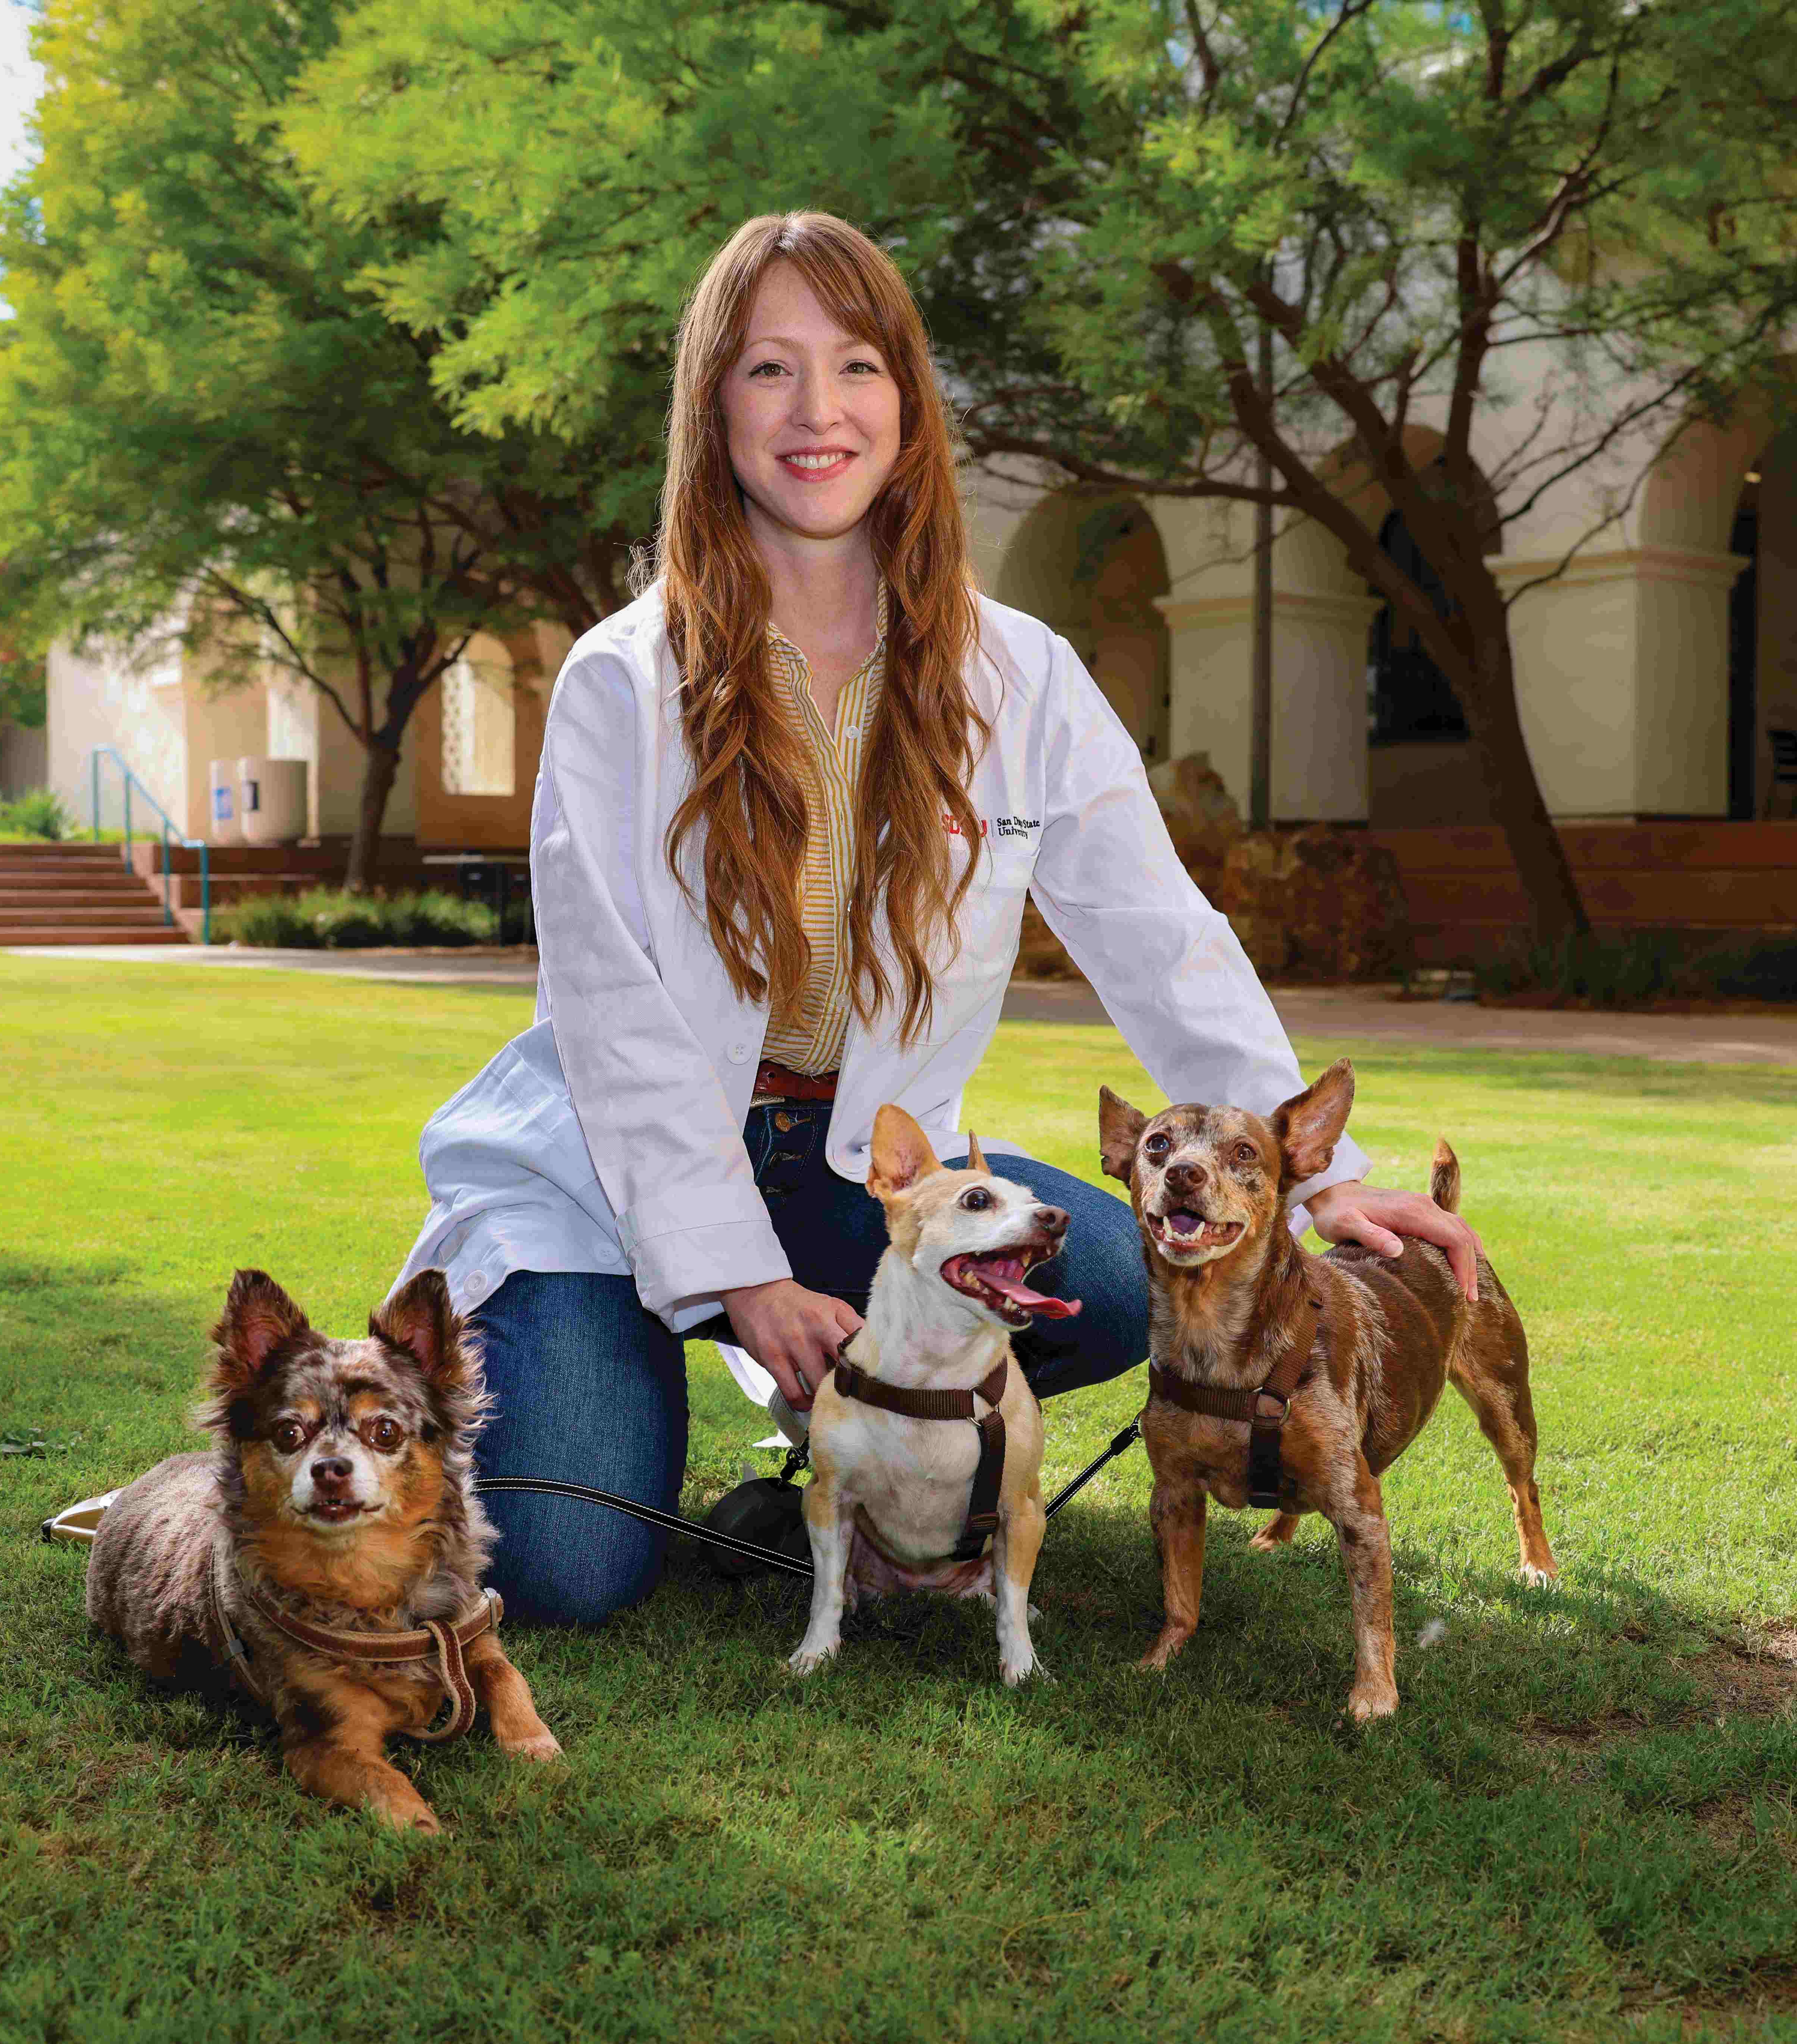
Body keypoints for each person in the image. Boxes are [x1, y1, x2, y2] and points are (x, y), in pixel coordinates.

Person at [394, 212, 1480, 1625]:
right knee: (569, 1570)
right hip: (614, 1176)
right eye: (768, 371)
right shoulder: (623, 679)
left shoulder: (1017, 674)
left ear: (906, 404)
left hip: (874, 1175)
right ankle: (494, 1361)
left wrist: (1321, 1175)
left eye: (855, 366)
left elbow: (1158, 932)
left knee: (1125, 1282)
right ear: (711, 406)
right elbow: (611, 1015)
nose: (817, 412)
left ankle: (845, 1434)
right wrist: (739, 1280)